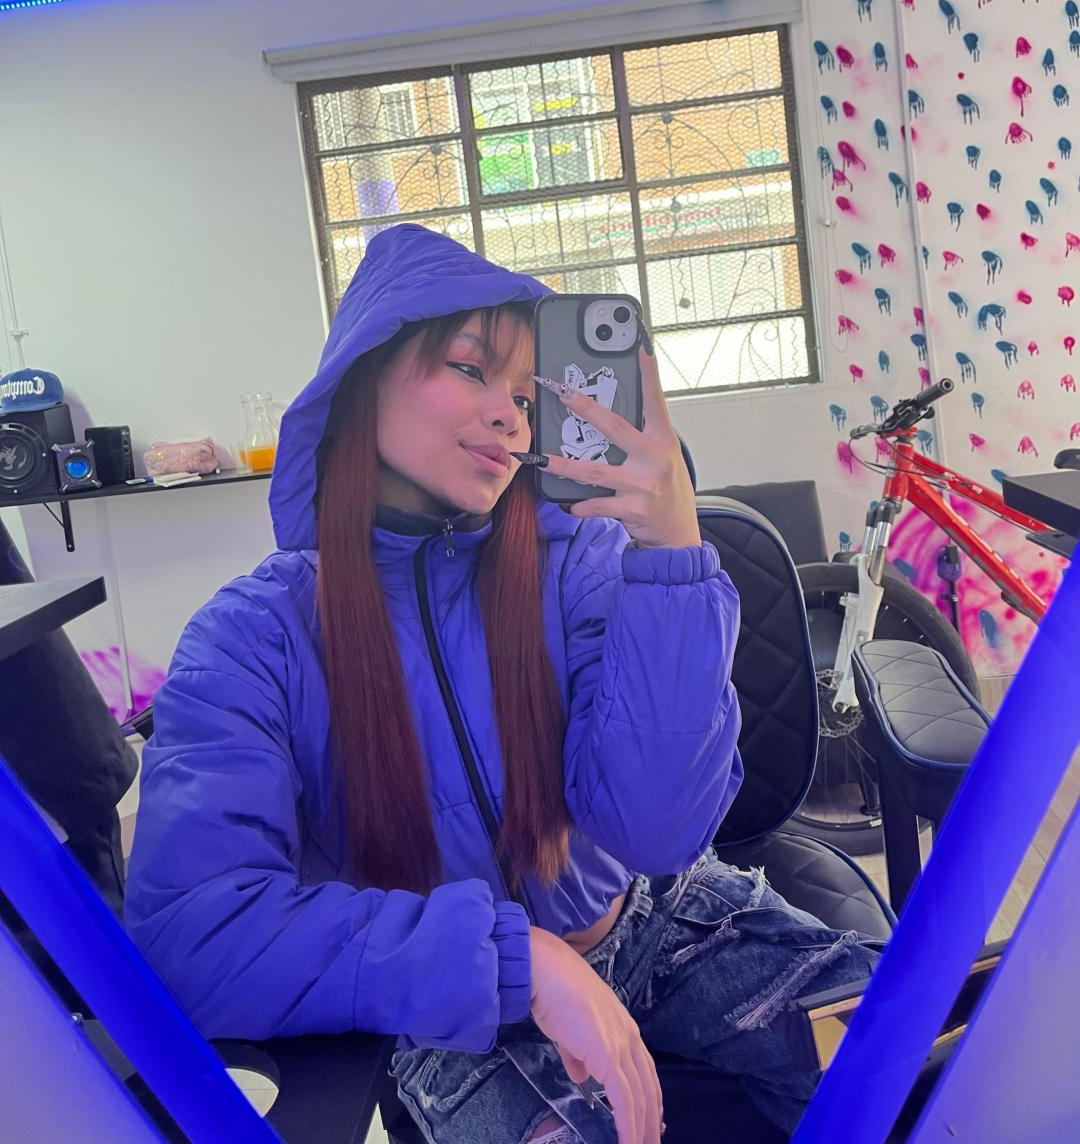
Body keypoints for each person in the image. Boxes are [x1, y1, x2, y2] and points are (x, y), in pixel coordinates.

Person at [125, 225, 878, 1144]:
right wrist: (515, 961)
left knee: (913, 1059)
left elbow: (659, 833)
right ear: (365, 373)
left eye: (527, 395)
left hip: (669, 922)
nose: (511, 416)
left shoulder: (584, 561)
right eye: (470, 369)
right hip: (451, 1019)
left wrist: (674, 558)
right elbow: (195, 932)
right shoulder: (254, 636)